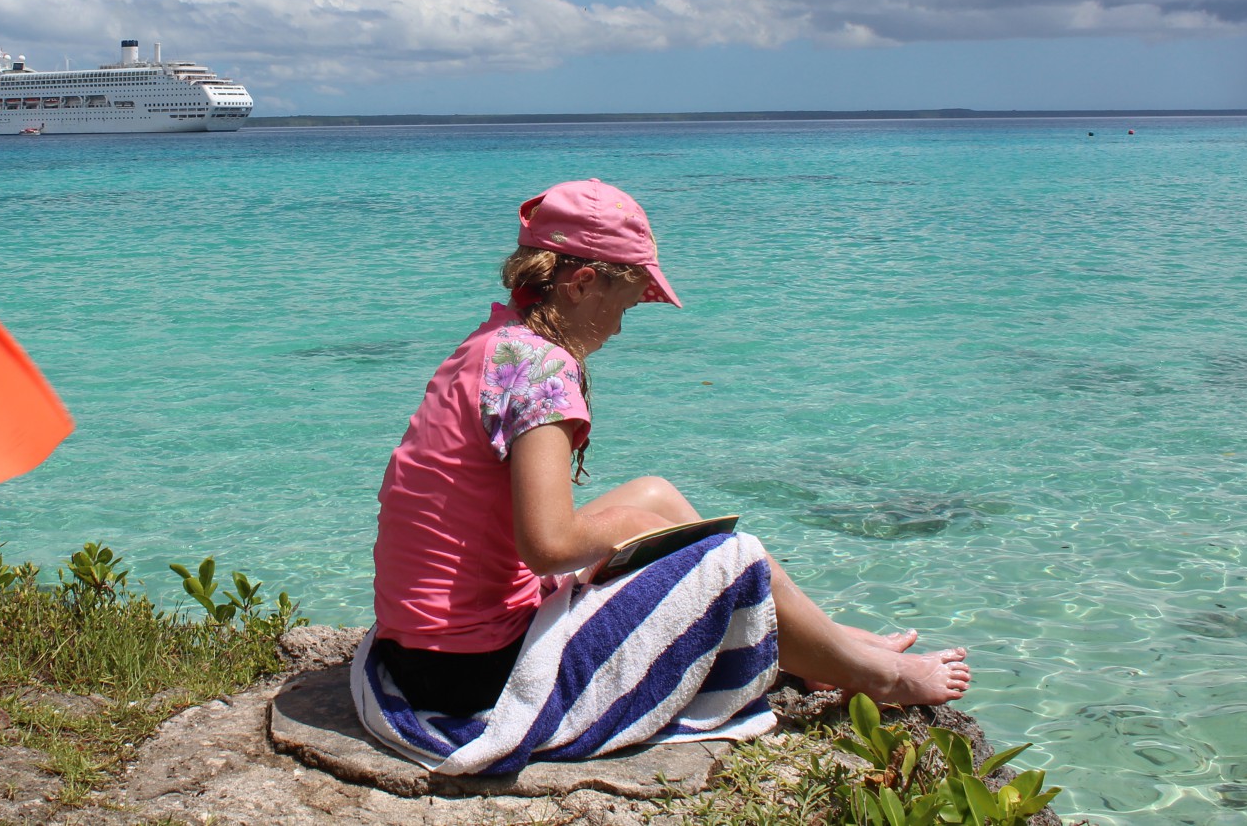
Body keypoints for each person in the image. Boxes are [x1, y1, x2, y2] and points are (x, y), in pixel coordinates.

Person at [358, 179, 969, 770]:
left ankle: (821, 643)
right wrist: (629, 526)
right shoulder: (542, 370)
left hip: (422, 647)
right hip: (472, 670)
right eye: (624, 305)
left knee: (657, 494)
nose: (621, 326)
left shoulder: (498, 340)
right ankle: (876, 676)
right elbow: (546, 548)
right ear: (583, 283)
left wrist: (640, 519)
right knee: (735, 558)